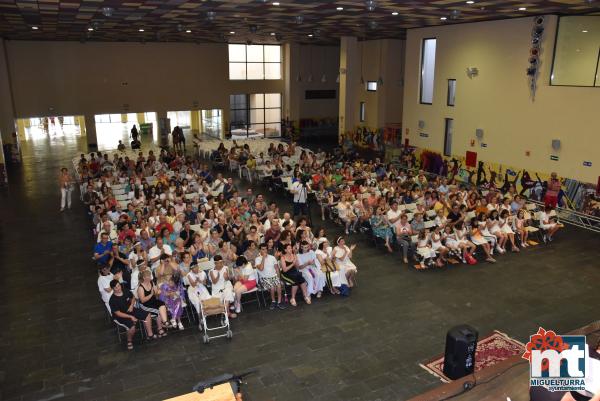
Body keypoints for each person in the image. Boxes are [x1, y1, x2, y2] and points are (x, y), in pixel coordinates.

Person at [109, 280, 155, 350]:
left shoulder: (125, 291)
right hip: (121, 316)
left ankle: (150, 334)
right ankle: (129, 341)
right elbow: (118, 313)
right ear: (113, 289)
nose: (118, 288)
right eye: (116, 287)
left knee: (147, 315)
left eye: (119, 286)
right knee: (132, 327)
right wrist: (131, 317)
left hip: (131, 310)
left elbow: (133, 297)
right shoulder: (112, 300)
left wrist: (131, 305)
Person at [136, 270, 169, 334]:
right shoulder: (140, 287)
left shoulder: (151, 282)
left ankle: (165, 322)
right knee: (157, 310)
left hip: (152, 301)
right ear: (144, 278)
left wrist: (158, 291)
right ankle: (160, 328)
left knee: (162, 303)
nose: (150, 277)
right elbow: (142, 300)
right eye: (148, 276)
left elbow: (156, 293)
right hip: (145, 305)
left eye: (150, 276)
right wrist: (151, 294)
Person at [255, 243, 285, 310]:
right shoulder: (257, 259)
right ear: (260, 250)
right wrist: (263, 258)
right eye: (263, 249)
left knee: (279, 285)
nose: (265, 251)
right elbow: (261, 268)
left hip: (274, 276)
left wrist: (278, 278)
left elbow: (277, 268)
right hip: (264, 278)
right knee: (272, 287)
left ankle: (279, 302)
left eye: (266, 249)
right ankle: (273, 301)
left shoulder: (272, 257)